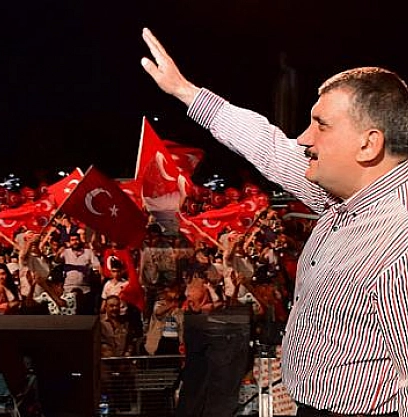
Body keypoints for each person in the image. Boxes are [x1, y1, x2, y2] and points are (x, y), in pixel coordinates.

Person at [140, 27, 408, 417]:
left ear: (368, 144)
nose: (303, 139)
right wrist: (186, 92)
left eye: (321, 125)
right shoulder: (345, 199)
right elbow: (270, 147)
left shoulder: (399, 240)